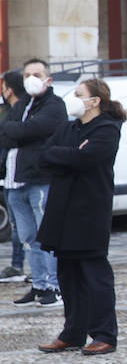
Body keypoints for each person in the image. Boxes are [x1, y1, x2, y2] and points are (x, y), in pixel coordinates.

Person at [35, 79, 124, 356]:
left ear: (94, 100)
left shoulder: (106, 129)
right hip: (63, 212)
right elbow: (45, 155)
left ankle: (105, 334)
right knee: (68, 276)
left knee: (94, 275)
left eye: (79, 94)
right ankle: (73, 332)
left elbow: (86, 159)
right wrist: (71, 154)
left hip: (89, 212)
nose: (73, 99)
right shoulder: (69, 127)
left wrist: (68, 156)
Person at [3, 59, 66, 307]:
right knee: (28, 236)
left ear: (48, 79)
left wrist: (17, 131)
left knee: (46, 235)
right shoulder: (22, 105)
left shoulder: (54, 105)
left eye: (37, 74)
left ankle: (54, 286)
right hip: (16, 180)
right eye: (28, 74)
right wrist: (17, 130)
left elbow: (33, 130)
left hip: (40, 178)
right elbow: (6, 129)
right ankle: (38, 284)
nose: (31, 78)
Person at [0, 70, 29, 285]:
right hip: (9, 175)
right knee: (18, 225)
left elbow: (10, 139)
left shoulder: (22, 110)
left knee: (24, 226)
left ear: (9, 89)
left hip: (22, 176)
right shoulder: (11, 110)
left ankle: (23, 267)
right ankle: (17, 265)